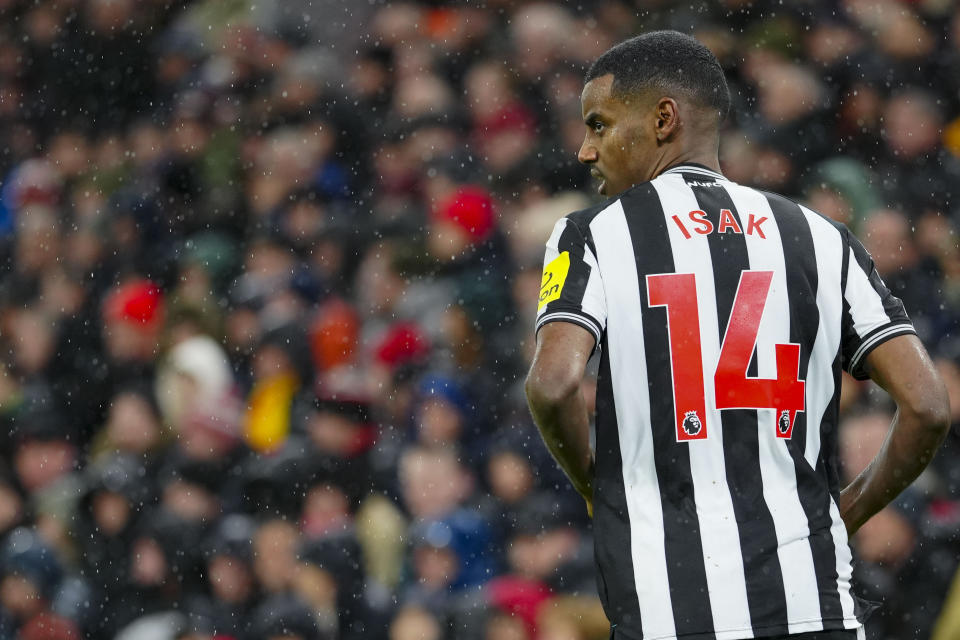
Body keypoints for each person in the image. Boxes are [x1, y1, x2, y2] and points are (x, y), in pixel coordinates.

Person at [524, 30, 950, 640]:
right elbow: (929, 406)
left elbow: (552, 382)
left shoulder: (591, 233)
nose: (587, 150)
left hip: (671, 609)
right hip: (812, 607)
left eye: (598, 124)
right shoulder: (820, 237)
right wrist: (843, 513)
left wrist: (597, 487)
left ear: (664, 119)